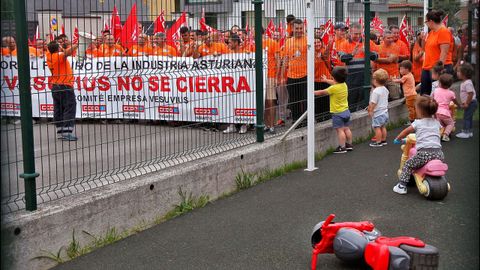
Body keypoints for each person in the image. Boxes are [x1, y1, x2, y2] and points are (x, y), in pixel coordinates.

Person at [393, 96, 443, 195]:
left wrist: (397, 139)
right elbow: (438, 131)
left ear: (419, 111)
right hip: (439, 154)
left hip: (424, 154)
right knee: (418, 160)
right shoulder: (437, 123)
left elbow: (405, 132)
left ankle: (401, 186)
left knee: (408, 165)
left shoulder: (417, 123)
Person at [338, 23, 378, 112]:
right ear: (350, 33)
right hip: (351, 78)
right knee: (351, 101)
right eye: (356, 34)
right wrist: (352, 53)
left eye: (360, 33)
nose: (358, 36)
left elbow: (376, 57)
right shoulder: (344, 44)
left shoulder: (368, 42)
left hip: (365, 77)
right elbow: (342, 58)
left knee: (365, 102)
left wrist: (367, 52)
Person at [314, 67, 353, 154]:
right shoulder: (344, 85)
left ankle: (342, 147)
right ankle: (349, 145)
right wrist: (326, 80)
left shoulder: (333, 89)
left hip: (337, 113)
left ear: (334, 78)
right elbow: (334, 83)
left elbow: (322, 92)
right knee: (346, 129)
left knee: (340, 130)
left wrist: (312, 92)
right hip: (346, 111)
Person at [46, 40, 79, 141]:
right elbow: (67, 53)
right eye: (60, 46)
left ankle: (61, 130)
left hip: (56, 86)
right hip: (65, 85)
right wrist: (77, 44)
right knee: (70, 107)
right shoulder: (58, 56)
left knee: (59, 108)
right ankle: (67, 132)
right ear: (58, 48)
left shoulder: (49, 56)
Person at [280, 19, 307, 123]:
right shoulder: (288, 42)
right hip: (291, 76)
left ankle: (305, 121)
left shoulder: (308, 40)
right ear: (292, 28)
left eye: (301, 28)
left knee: (305, 100)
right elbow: (285, 60)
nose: (299, 30)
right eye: (297, 28)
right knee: (294, 101)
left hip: (305, 75)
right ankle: (296, 121)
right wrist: (283, 77)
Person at [421, 10, 452, 95]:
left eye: (426, 22)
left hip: (437, 69)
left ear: (430, 21)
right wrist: (423, 40)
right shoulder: (431, 32)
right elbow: (425, 49)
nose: (426, 24)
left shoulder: (443, 31)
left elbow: (444, 52)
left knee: (437, 96)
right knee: (424, 95)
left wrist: (438, 70)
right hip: (427, 67)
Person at [223, 34, 249, 134]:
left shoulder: (245, 53)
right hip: (231, 82)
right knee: (230, 103)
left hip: (243, 82)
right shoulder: (228, 53)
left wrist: (248, 55)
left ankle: (243, 124)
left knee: (243, 103)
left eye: (229, 42)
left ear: (235, 43)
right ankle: (232, 125)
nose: (228, 44)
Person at [432, 73, 460, 141]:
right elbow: (454, 100)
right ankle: (446, 135)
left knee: (439, 125)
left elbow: (432, 99)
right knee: (451, 123)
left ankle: (436, 135)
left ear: (440, 83)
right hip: (445, 113)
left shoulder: (436, 90)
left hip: (436, 112)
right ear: (450, 85)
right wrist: (459, 105)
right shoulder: (451, 93)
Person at [263, 30, 280, 133]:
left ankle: (272, 125)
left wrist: (277, 76)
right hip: (260, 76)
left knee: (271, 101)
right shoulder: (253, 45)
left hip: (270, 75)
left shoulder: (272, 43)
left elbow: (278, 60)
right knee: (264, 102)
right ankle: (266, 124)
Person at [376, 30, 401, 100]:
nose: (391, 39)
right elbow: (375, 61)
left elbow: (389, 60)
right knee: (382, 98)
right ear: (383, 38)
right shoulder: (378, 47)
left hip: (393, 76)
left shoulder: (396, 47)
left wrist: (377, 59)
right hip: (381, 77)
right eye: (388, 38)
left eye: (391, 38)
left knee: (395, 97)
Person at [368, 69, 390, 147]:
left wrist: (370, 110)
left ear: (375, 80)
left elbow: (373, 103)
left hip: (378, 113)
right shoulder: (385, 89)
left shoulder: (376, 91)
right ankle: (383, 140)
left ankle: (378, 141)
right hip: (385, 112)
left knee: (377, 127)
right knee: (383, 126)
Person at [455, 63, 478, 138]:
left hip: (471, 103)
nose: (457, 73)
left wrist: (467, 103)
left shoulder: (467, 83)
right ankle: (469, 131)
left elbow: (470, 94)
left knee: (466, 117)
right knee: (469, 117)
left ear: (464, 73)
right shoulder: (465, 82)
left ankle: (465, 132)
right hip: (471, 102)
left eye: (458, 71)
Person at [393, 60, 417, 125]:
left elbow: (400, 81)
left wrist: (393, 80)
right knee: (414, 108)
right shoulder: (410, 75)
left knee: (410, 108)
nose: (400, 71)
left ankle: (412, 121)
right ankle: (416, 119)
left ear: (406, 69)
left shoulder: (406, 76)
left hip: (409, 95)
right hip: (413, 94)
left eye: (401, 69)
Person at [314, 36, 332, 121]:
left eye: (318, 42)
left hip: (325, 78)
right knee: (317, 100)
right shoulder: (310, 53)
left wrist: (329, 46)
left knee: (326, 98)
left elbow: (326, 55)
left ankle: (327, 116)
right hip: (315, 79)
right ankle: (319, 117)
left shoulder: (323, 51)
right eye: (314, 42)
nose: (317, 44)